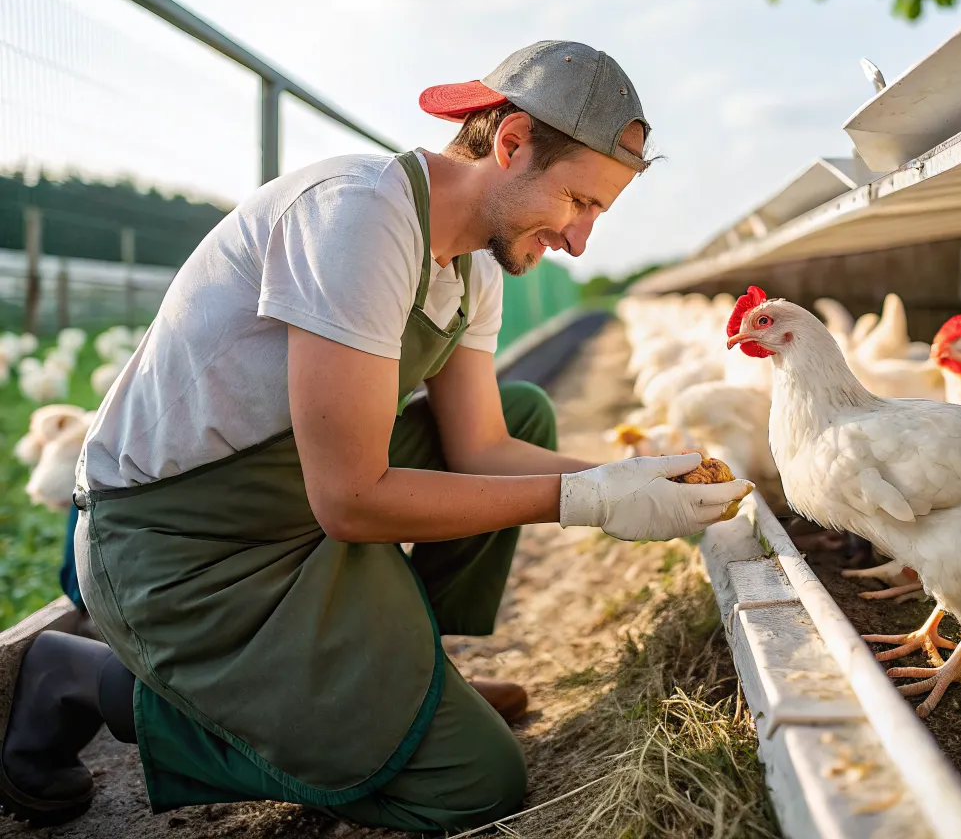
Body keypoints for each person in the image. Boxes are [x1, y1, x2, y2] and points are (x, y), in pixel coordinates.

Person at [0, 41, 752, 832]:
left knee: (519, 411)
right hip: (180, 547)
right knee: (474, 784)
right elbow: (353, 501)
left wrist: (637, 477)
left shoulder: (476, 264)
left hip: (288, 513)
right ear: (512, 143)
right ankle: (80, 679)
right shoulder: (359, 217)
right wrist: (587, 499)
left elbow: (484, 450)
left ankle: (410, 679)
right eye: (578, 202)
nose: (579, 241)